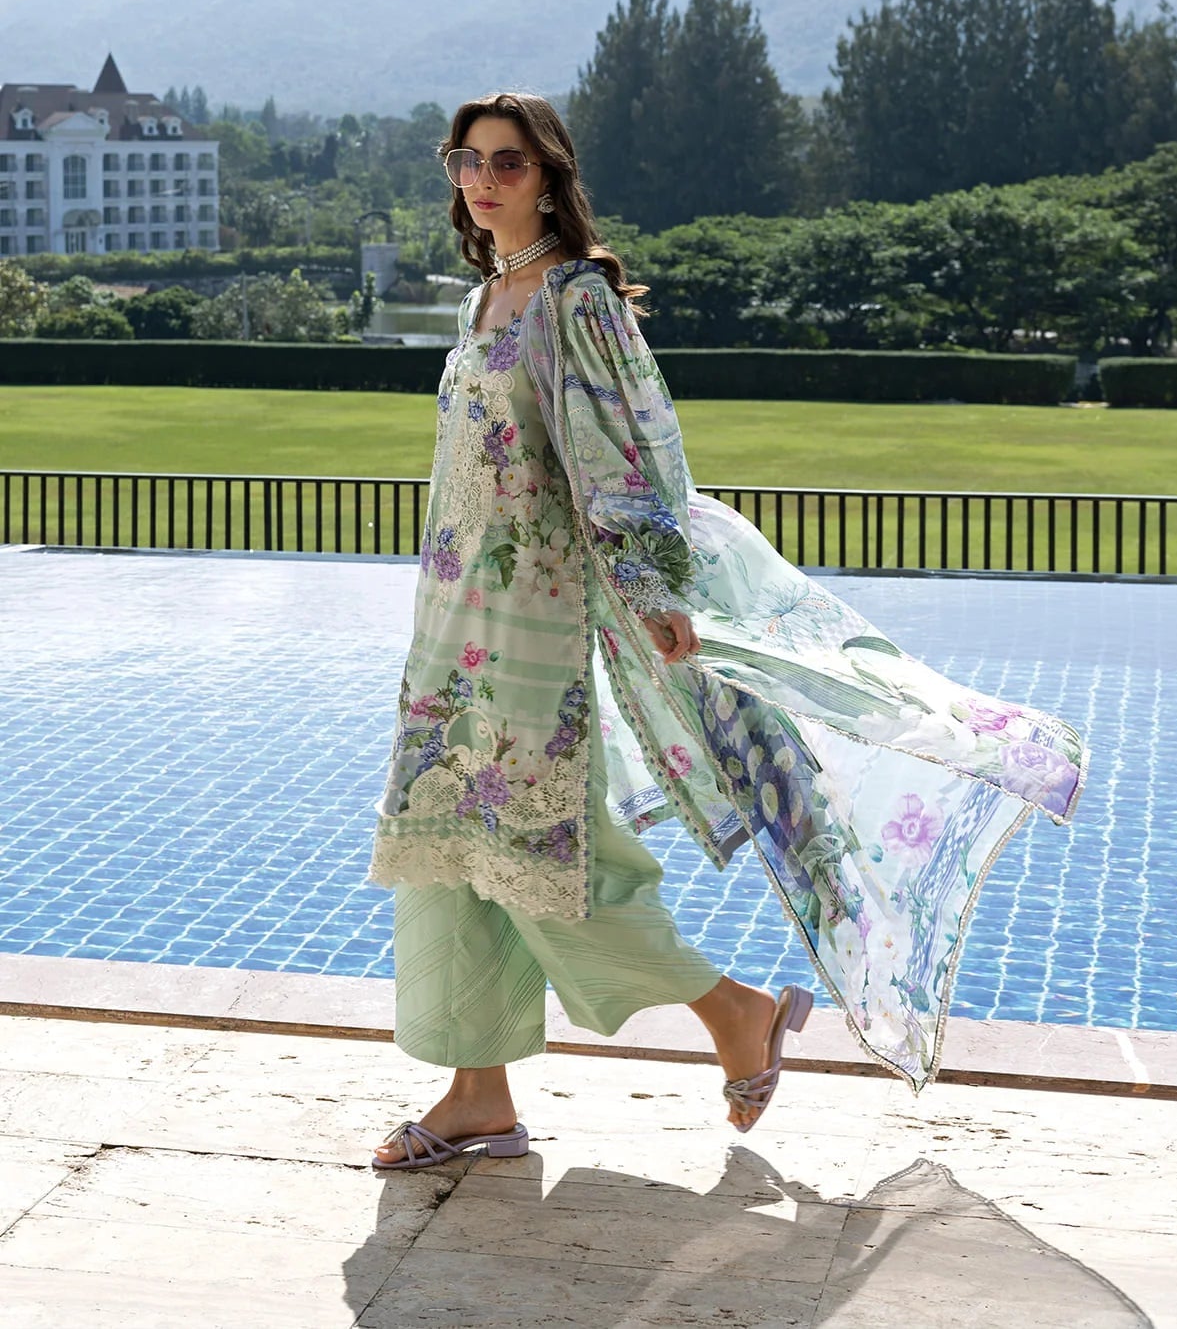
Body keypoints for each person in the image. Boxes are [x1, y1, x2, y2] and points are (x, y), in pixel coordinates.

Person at [367, 92, 1086, 1170]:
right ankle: (480, 1096)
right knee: (445, 848)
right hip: (451, 618)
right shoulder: (483, 301)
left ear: (549, 176)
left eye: (507, 162)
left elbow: (632, 453)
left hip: (535, 624)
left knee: (540, 855)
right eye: (465, 160)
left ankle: (735, 1010)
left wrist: (654, 589)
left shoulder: (576, 300)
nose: (482, 180)